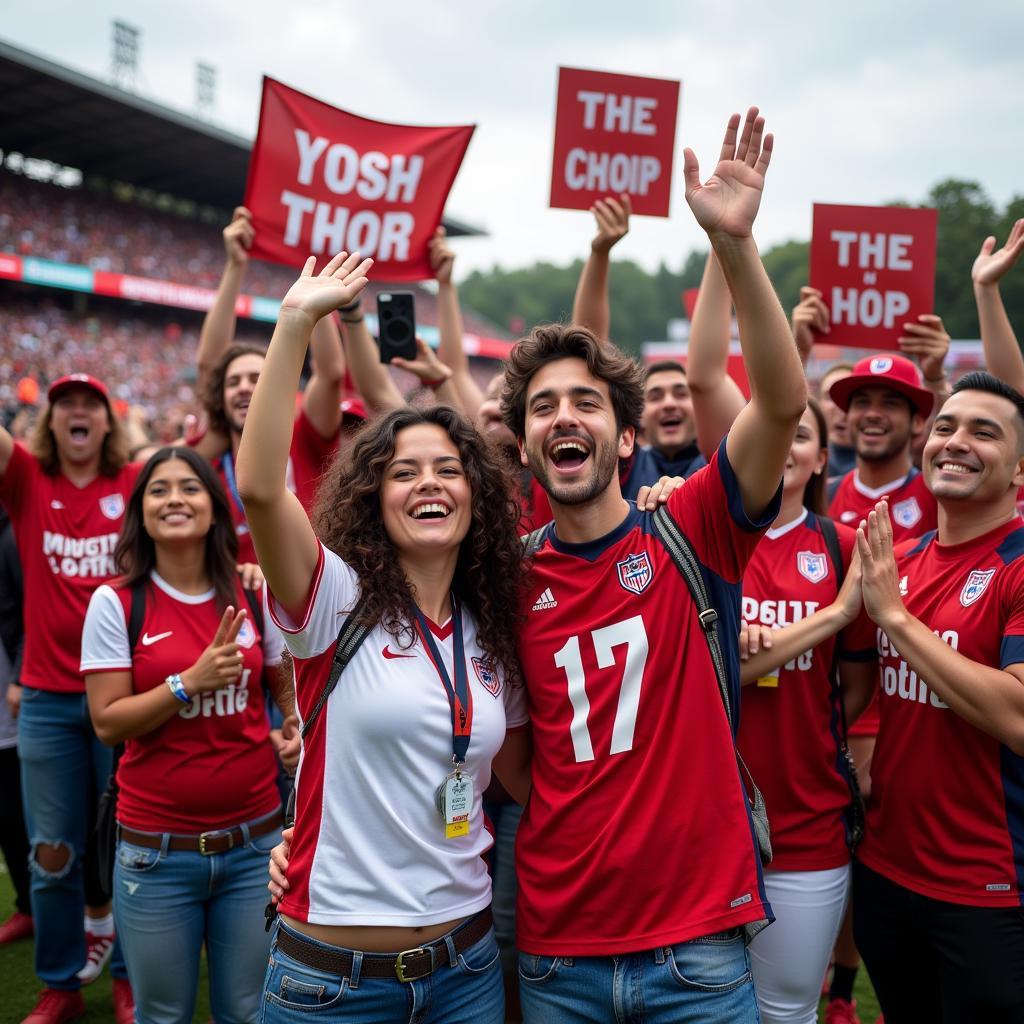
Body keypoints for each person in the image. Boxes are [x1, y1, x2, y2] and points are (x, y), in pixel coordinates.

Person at [501, 106, 807, 1023]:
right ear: (522, 445)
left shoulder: (692, 528)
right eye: (544, 405)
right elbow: (513, 754)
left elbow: (783, 404)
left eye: (587, 403)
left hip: (699, 950)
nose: (565, 417)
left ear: (627, 435)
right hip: (560, 951)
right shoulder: (506, 578)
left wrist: (735, 245)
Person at [236, 251, 530, 1023]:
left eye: (448, 469)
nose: (428, 482)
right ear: (373, 496)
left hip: (466, 969)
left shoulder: (495, 626)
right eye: (403, 472)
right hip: (332, 979)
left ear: (478, 494)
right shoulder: (334, 596)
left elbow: (530, 781)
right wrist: (297, 322)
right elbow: (262, 486)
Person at [80, 446, 290, 1024]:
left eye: (190, 487)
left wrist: (293, 723)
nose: (175, 499)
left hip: (254, 848)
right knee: (164, 1014)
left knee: (249, 1010)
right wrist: (187, 683)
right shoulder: (115, 602)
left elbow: (282, 684)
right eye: (159, 489)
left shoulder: (252, 591)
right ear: (140, 513)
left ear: (215, 508)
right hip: (156, 854)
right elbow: (106, 723)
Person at [852, 371, 1024, 1022]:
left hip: (988, 888)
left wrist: (897, 619)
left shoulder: (1017, 563)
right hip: (886, 871)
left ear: (1020, 469)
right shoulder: (902, 559)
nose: (956, 442)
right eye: (946, 426)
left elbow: (1018, 717)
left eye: (985, 432)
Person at [731, 399, 877, 1024]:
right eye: (775, 431)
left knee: (787, 1011)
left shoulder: (842, 548)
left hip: (807, 824)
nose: (785, 445)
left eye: (803, 435)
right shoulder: (698, 536)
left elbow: (855, 689)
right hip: (706, 824)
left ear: (823, 457)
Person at [0, 373, 137, 1024]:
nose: (78, 414)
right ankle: (61, 982)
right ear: (48, 423)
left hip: (127, 699)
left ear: (108, 423)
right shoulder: (27, 479)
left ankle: (129, 976)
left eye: (90, 405)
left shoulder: (133, 483)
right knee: (52, 853)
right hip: (50, 702)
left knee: (132, 847)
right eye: (65, 407)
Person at [195, 207, 349, 562]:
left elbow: (330, 373)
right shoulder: (207, 459)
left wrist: (312, 309)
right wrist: (235, 265)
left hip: (309, 608)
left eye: (256, 378)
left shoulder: (305, 439)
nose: (245, 388)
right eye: (233, 381)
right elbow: (208, 364)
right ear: (220, 397)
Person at [0, 505, 32, 946]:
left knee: (15, 808)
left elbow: (29, 609)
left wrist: (22, 674)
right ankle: (27, 905)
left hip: (11, 690)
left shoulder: (11, 528)